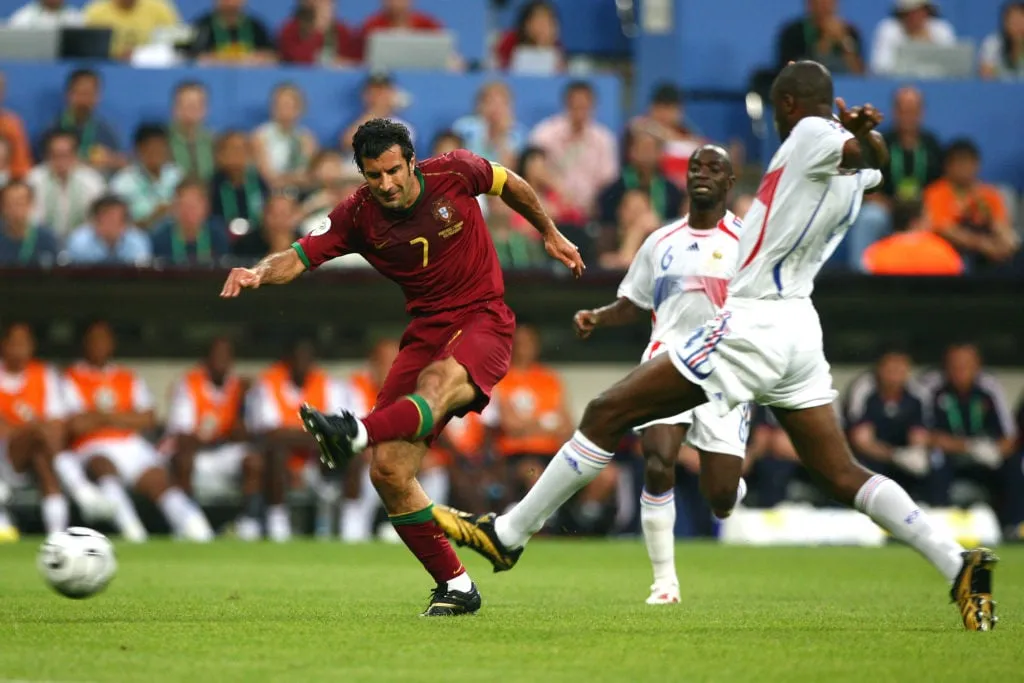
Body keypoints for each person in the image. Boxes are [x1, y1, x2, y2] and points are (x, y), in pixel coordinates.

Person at [432, 61, 998, 632]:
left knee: (606, 412)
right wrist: (865, 136)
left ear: (787, 106)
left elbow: (851, 150)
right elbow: (871, 162)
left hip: (753, 321)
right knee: (839, 470)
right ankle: (957, 563)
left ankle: (507, 536)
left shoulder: (808, 135)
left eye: (778, 107)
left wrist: (849, 133)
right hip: (800, 327)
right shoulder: (843, 165)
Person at [219, 118, 583, 616]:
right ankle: (456, 585)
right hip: (425, 332)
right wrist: (259, 272)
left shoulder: (456, 171)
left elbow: (511, 184)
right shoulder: (356, 215)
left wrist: (550, 232)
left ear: (412, 160)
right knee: (389, 470)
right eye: (374, 176)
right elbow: (300, 256)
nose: (387, 184)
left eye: (394, 170)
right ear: (362, 175)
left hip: (483, 319)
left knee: (435, 385)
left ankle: (355, 431)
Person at [573, 145, 749, 603]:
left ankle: (730, 488)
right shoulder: (660, 241)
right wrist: (599, 315)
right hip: (666, 357)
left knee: (721, 498)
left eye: (714, 169)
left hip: (723, 370)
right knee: (657, 460)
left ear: (730, 183)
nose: (702, 174)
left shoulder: (748, 243)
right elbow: (633, 302)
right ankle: (664, 582)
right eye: (695, 167)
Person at [62, 320, 214, 542]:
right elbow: (75, 425)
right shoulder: (70, 377)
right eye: (94, 339)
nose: (100, 344)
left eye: (104, 339)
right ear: (84, 343)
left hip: (129, 444)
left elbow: (147, 418)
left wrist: (102, 416)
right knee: (103, 465)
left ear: (112, 343)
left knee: (159, 479)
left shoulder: (126, 377)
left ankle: (197, 531)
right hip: (91, 445)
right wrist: (122, 416)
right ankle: (134, 532)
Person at [166, 337, 261, 540]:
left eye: (226, 356)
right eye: (217, 356)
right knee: (182, 459)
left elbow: (249, 433)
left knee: (254, 461)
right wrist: (223, 432)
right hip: (197, 457)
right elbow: (183, 437)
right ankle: (189, 522)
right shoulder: (190, 384)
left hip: (223, 455)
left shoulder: (239, 388)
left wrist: (242, 408)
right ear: (206, 359)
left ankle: (248, 525)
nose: (222, 361)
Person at [110, 123, 183, 228]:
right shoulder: (122, 183)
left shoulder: (177, 176)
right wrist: (153, 217)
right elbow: (116, 225)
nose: (157, 153)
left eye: (161, 147)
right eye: (151, 147)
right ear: (138, 150)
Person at [0, 181, 60, 266]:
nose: (14, 208)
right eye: (9, 203)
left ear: (31, 204)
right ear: (2, 207)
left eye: (20, 203)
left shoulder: (46, 238)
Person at [979, 1, 1024, 80]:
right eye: (1014, 21)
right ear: (1005, 22)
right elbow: (985, 74)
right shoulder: (993, 43)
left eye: (1021, 20)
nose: (1018, 25)